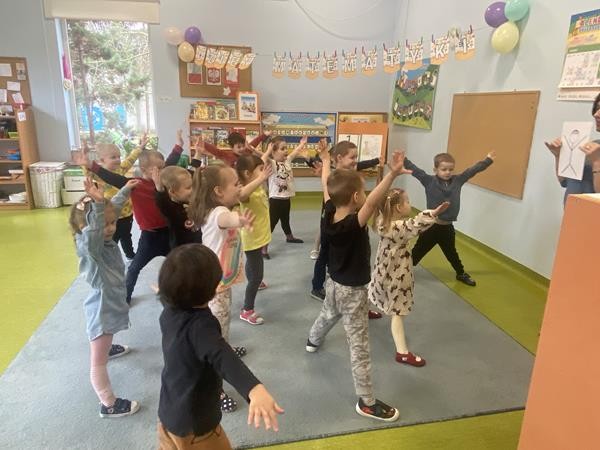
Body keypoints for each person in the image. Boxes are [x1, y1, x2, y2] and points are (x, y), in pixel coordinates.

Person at [305, 145, 410, 422]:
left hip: (333, 283)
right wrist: (392, 175)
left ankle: (312, 340)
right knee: (359, 347)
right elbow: (373, 202)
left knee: (328, 313)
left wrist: (325, 161)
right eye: (362, 191)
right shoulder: (353, 224)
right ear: (354, 197)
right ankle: (366, 402)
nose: (366, 195)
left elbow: (327, 184)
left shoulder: (329, 209)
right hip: (352, 292)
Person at [157, 244, 284, 450]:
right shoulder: (201, 327)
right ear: (212, 290)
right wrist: (254, 388)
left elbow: (215, 350)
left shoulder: (170, 311)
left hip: (167, 414)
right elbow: (222, 356)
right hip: (196, 428)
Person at [75, 135, 185, 303]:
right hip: (149, 236)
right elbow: (113, 178)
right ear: (144, 169)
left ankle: (180, 294)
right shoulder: (135, 184)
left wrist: (178, 146)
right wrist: (91, 165)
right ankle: (125, 298)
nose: (162, 171)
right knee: (134, 268)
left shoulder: (163, 181)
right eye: (157, 168)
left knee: (179, 264)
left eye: (162, 168)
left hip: (169, 233)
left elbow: (170, 163)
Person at [69, 177, 141, 418]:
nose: (110, 228)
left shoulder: (103, 238)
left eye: (112, 223)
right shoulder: (91, 248)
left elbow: (115, 208)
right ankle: (108, 404)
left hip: (110, 303)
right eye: (104, 224)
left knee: (107, 338)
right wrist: (99, 206)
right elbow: (94, 231)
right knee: (97, 362)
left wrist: (126, 189)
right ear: (87, 228)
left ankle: (107, 348)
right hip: (101, 311)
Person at [187, 164, 255, 412]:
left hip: (219, 282)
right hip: (215, 286)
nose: (239, 187)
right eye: (235, 184)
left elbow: (240, 197)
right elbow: (227, 219)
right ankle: (215, 388)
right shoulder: (219, 213)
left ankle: (224, 344)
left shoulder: (216, 207)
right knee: (217, 330)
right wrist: (240, 220)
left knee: (222, 322)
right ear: (218, 191)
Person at [368, 188, 449, 367]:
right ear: (398, 207)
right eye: (407, 201)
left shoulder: (383, 221)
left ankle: (364, 309)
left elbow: (412, 223)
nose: (409, 204)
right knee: (398, 310)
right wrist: (432, 213)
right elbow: (415, 224)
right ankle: (402, 352)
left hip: (383, 267)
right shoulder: (398, 228)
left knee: (376, 287)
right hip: (397, 273)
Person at [309, 139, 383, 320]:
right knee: (326, 256)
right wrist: (325, 161)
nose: (355, 161)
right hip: (334, 222)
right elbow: (326, 183)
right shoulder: (335, 176)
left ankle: (360, 306)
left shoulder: (351, 174)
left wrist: (325, 160)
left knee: (356, 262)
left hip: (352, 226)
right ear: (340, 158)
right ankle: (318, 287)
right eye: (352, 157)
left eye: (356, 157)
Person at [403, 151, 496, 286]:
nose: (447, 172)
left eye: (450, 169)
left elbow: (472, 171)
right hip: (431, 227)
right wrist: (403, 160)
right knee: (417, 252)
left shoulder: (458, 180)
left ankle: (461, 273)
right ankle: (402, 271)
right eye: (444, 169)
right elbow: (416, 170)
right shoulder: (429, 181)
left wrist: (487, 160)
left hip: (447, 228)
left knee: (452, 253)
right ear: (435, 170)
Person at [86, 135, 146, 259]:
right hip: (112, 215)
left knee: (126, 235)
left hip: (127, 213)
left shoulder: (120, 170)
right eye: (113, 157)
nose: (118, 160)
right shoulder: (99, 174)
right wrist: (84, 163)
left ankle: (130, 254)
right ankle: (111, 256)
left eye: (119, 156)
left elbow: (131, 159)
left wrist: (140, 147)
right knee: (113, 237)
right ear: (102, 160)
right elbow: (87, 171)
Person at [236, 154, 273, 325]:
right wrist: (261, 178)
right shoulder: (246, 190)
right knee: (257, 275)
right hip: (251, 239)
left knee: (252, 265)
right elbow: (241, 195)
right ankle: (247, 310)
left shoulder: (257, 187)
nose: (264, 172)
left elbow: (258, 164)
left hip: (258, 236)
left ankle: (254, 281)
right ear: (247, 174)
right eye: (260, 169)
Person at [545, 92, 600, 199]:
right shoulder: (593, 147)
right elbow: (564, 181)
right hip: (570, 208)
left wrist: (597, 162)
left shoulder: (595, 153)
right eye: (597, 108)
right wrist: (558, 156)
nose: (596, 114)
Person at [260, 136, 307, 258]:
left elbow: (295, 152)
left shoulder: (287, 161)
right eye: (282, 149)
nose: (286, 151)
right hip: (275, 200)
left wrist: (301, 144)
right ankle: (263, 248)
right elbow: (262, 159)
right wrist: (268, 151)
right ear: (274, 152)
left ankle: (289, 237)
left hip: (286, 198)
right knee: (271, 224)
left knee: (285, 219)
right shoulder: (272, 163)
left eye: (286, 148)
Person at [152, 165, 201, 249]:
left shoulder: (191, 201)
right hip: (184, 251)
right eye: (188, 188)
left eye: (193, 186)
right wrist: (160, 190)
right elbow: (162, 204)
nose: (193, 190)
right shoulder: (172, 210)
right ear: (173, 192)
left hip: (199, 245)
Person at [196, 130, 270, 167]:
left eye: (243, 146)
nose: (242, 149)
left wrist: (265, 135)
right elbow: (216, 151)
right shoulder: (228, 156)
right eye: (239, 147)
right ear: (232, 147)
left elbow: (254, 142)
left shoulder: (247, 151)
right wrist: (203, 144)